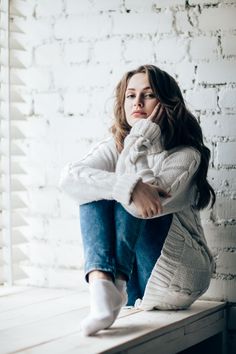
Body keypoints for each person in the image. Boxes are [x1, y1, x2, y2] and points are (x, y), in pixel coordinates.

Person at [59, 64, 216, 336]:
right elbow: (69, 179)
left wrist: (140, 139)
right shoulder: (116, 145)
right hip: (135, 281)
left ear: (167, 102)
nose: (138, 103)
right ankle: (102, 289)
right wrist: (126, 184)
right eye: (130, 96)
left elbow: (146, 207)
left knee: (129, 191)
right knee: (97, 190)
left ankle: (112, 289)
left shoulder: (186, 154)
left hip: (178, 278)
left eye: (148, 94)